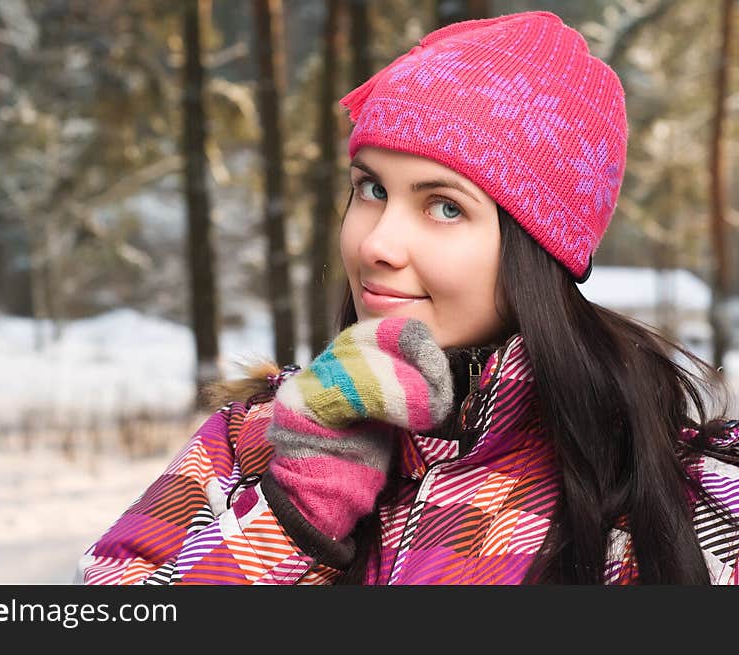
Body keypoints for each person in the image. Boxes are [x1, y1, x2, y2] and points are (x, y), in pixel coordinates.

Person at [77, 10, 739, 585]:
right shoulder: (249, 442)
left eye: (445, 206)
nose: (377, 243)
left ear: (539, 253)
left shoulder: (673, 498)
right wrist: (294, 515)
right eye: (372, 189)